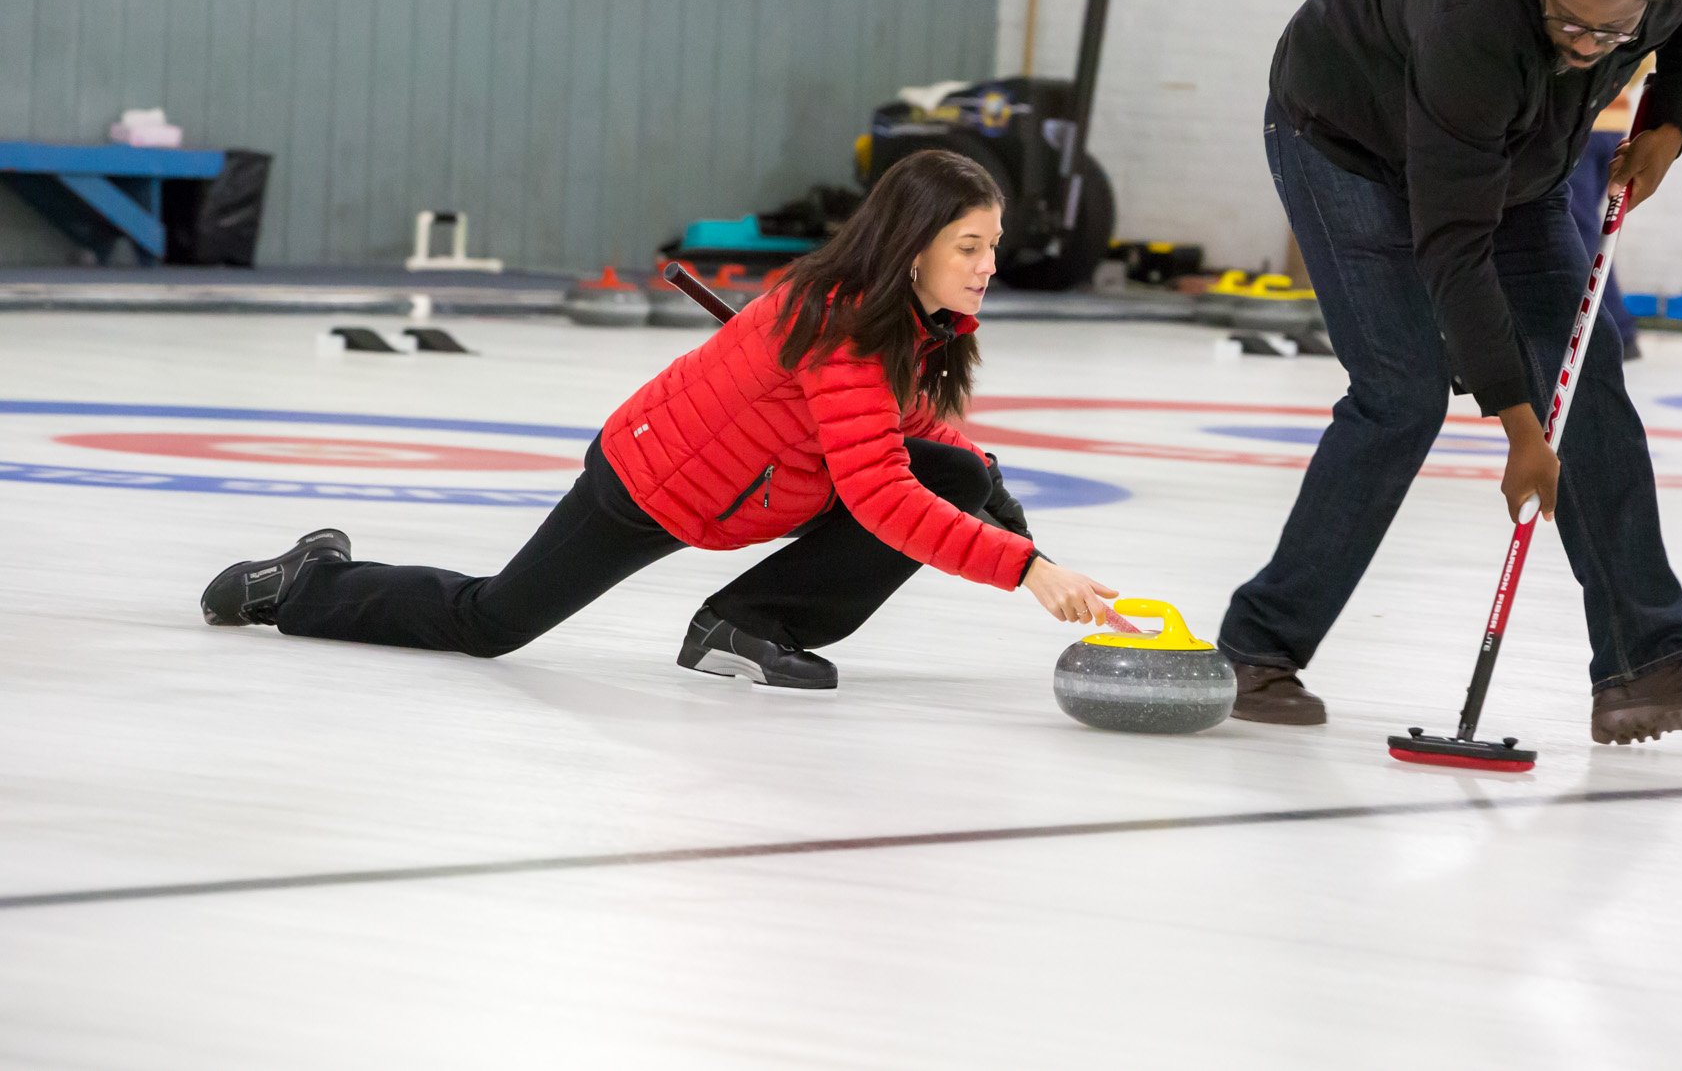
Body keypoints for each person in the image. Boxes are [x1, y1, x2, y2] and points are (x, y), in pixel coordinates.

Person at [1225, 0, 1682, 742]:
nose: (1586, 45)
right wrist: (1521, 428)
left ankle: (1646, 666)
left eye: (1611, 33)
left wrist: (1671, 123)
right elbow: (1455, 245)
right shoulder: (1472, 14)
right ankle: (1256, 650)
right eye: (1567, 21)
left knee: (1587, 379)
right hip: (1348, 139)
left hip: (1522, 156)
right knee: (1401, 394)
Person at [199, 150, 1119, 687]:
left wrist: (1009, 519)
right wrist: (1026, 569)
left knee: (957, 474)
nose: (987, 264)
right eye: (969, 245)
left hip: (747, 490)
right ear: (912, 247)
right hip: (651, 482)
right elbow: (878, 492)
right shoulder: (844, 325)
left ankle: (746, 625)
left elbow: (914, 434)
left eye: (992, 245)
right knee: (492, 622)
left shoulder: (902, 321)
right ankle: (306, 582)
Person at [1563, 56, 1652, 357]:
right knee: (1579, 226)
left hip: (1580, 126)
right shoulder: (1624, 27)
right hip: (1612, 126)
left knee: (1576, 230)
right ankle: (1611, 329)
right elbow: (1646, 57)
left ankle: (1616, 330)